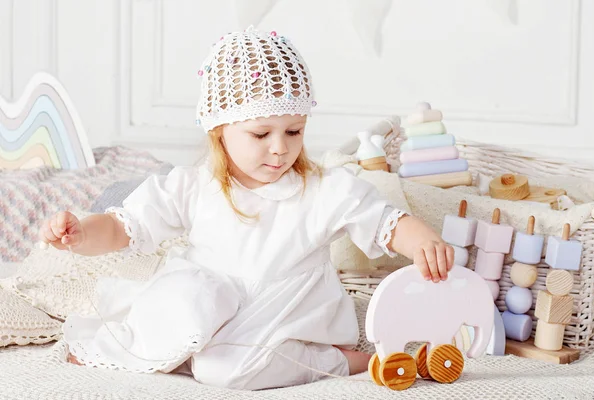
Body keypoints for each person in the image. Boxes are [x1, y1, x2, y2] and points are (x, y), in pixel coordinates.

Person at [39, 26, 454, 390]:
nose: (281, 148)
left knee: (223, 368)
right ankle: (167, 349)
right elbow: (122, 228)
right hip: (211, 308)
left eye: (294, 131)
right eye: (261, 134)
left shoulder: (322, 189)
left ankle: (347, 361)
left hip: (287, 321)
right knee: (187, 302)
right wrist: (81, 231)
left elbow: (384, 221)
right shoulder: (193, 186)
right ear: (220, 131)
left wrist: (423, 240)